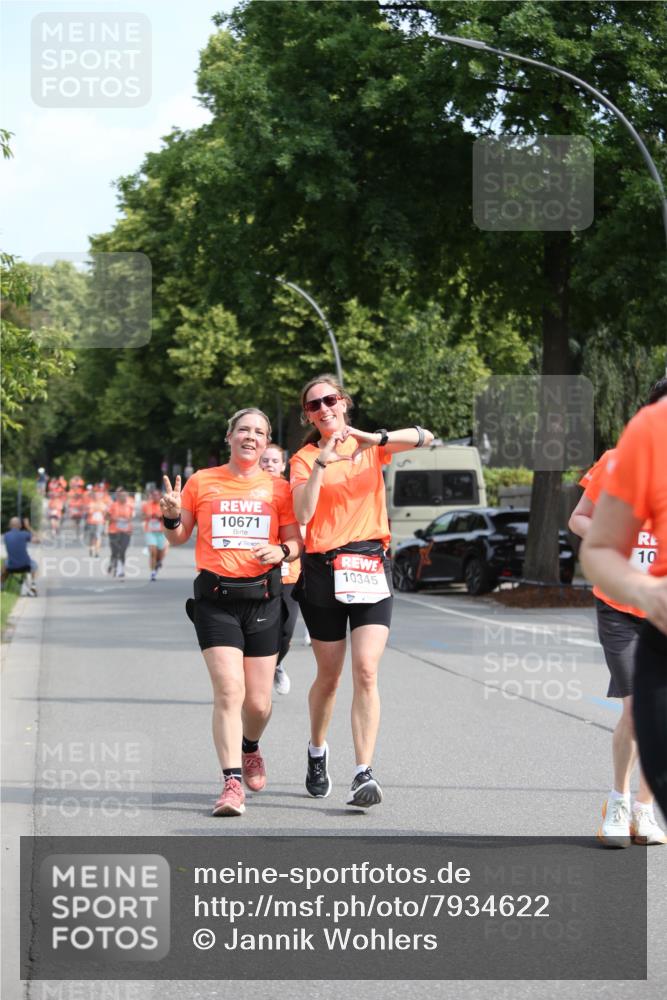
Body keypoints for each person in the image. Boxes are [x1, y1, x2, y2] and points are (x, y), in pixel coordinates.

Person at [290, 374, 434, 808]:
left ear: (345, 402)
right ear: (309, 416)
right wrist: (322, 463)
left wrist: (374, 437)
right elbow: (303, 510)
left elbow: (426, 437)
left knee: (366, 670)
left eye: (330, 400)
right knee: (330, 678)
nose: (324, 408)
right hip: (323, 570)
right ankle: (317, 751)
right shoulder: (303, 458)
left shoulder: (371, 447)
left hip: (369, 563)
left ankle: (363, 772)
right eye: (315, 405)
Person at [161, 408, 302, 817]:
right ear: (230, 436)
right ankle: (231, 784)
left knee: (257, 705)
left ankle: (251, 747)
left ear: (266, 441)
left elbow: (295, 541)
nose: (251, 437)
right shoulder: (202, 482)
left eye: (259, 432)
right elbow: (178, 538)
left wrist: (281, 550)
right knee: (228, 692)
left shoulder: (279, 489)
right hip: (216, 601)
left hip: (262, 600)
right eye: (243, 429)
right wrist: (171, 513)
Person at [569, 378, 667, 846]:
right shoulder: (617, 462)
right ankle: (619, 800)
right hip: (621, 605)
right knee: (636, 706)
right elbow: (579, 518)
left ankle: (645, 810)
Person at [260, 444, 303, 695]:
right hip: (258, 571)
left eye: (274, 461)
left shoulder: (292, 490)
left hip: (289, 569)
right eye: (264, 460)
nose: (269, 465)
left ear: (283, 465)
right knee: (261, 626)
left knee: (286, 629)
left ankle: (276, 663)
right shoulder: (249, 489)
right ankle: (256, 672)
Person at [2, 517, 38, 595]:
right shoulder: (24, 534)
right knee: (35, 564)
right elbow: (38, 540)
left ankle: (1, 585)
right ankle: (33, 585)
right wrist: (28, 526)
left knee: (5, 563)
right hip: (26, 565)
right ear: (20, 526)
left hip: (11, 567)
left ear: (9, 525)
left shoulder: (6, 536)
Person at [142, 488, 169, 581]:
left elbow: (169, 517)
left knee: (160, 554)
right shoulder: (147, 505)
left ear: (160, 496)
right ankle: (153, 573)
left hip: (161, 532)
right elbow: (142, 516)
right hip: (150, 531)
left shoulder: (164, 505)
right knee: (153, 552)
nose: (155, 497)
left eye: (157, 495)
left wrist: (160, 517)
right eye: (154, 495)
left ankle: (158, 562)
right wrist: (148, 516)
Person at [107, 488, 134, 579]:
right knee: (115, 551)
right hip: (113, 531)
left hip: (126, 531)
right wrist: (113, 519)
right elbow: (106, 516)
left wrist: (127, 520)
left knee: (122, 550)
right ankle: (113, 563)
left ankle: (120, 569)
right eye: (122, 496)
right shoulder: (113, 505)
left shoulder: (130, 506)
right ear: (118, 497)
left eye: (125, 496)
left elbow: (131, 517)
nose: (124, 497)